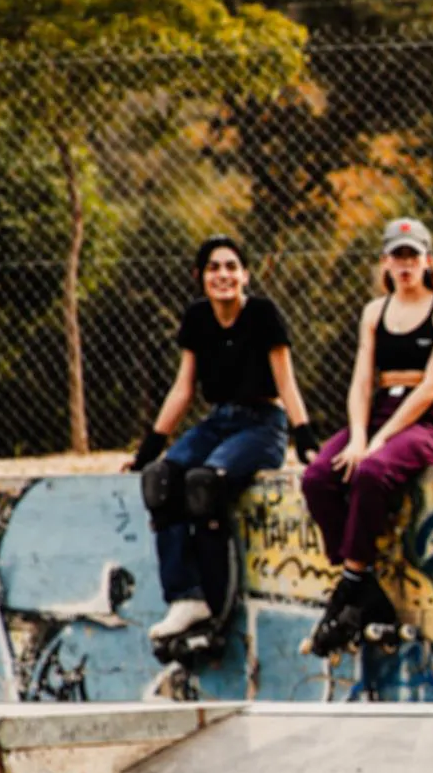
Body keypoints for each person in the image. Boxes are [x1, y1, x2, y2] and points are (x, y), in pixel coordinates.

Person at [128, 234, 320, 651]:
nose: (223, 275)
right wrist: (152, 445)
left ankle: (216, 606)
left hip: (262, 425)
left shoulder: (264, 315)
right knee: (162, 480)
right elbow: (183, 388)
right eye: (214, 268)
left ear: (245, 275)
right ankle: (186, 597)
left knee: (204, 484)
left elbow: (286, 381)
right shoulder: (197, 319)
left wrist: (304, 437)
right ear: (201, 277)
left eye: (232, 266)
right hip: (218, 422)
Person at [300, 217, 433, 655]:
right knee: (318, 476)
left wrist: (380, 442)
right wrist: (359, 435)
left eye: (413, 255)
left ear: (428, 260)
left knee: (371, 473)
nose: (406, 263)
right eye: (398, 255)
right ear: (385, 262)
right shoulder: (374, 312)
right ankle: (366, 586)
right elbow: (361, 381)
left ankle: (347, 589)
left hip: (426, 420)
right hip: (379, 413)